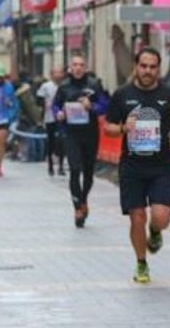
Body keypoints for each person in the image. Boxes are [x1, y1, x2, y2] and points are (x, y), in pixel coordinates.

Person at [104, 47, 170, 283]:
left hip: (161, 165)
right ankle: (141, 263)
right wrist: (122, 128)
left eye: (152, 67)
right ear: (136, 67)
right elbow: (108, 127)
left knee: (161, 217)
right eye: (144, 66)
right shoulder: (122, 94)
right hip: (132, 166)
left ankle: (156, 231)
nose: (148, 71)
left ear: (158, 69)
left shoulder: (169, 92)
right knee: (137, 216)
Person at [54, 55, 109, 228]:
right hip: (71, 133)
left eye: (81, 65)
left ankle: (84, 198)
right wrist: (59, 114)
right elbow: (55, 106)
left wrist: (91, 106)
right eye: (75, 65)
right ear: (70, 67)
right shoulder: (63, 87)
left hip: (90, 133)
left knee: (88, 172)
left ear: (86, 67)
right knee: (75, 170)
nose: (78, 68)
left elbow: (105, 106)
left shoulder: (94, 85)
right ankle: (77, 208)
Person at [37, 66, 66, 176]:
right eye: (56, 73)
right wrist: (44, 104)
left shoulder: (65, 85)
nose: (58, 75)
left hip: (63, 116)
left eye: (60, 73)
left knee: (62, 141)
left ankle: (61, 166)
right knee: (51, 141)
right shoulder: (46, 86)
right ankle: (50, 165)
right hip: (49, 117)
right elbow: (38, 100)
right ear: (51, 75)